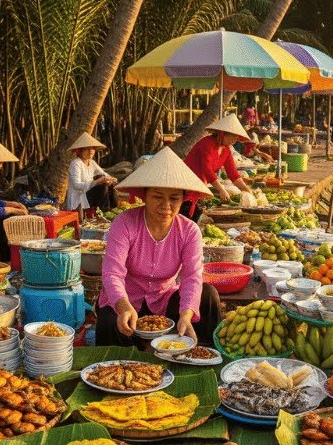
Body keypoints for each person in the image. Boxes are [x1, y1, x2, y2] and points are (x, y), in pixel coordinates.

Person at [96, 148, 222, 347]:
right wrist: (124, 307)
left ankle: (200, 354)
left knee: (208, 295)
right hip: (125, 299)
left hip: (164, 297)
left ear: (183, 199)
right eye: (157, 196)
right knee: (110, 322)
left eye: (174, 198)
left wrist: (186, 315)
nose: (166, 205)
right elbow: (112, 273)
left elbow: (192, 277)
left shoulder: (189, 230)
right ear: (145, 196)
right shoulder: (125, 223)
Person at [181, 114, 253, 217]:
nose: (234, 140)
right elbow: (207, 169)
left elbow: (233, 173)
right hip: (187, 184)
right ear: (222, 134)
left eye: (236, 138)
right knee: (186, 215)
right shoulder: (207, 143)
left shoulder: (226, 150)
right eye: (232, 136)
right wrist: (221, 190)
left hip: (200, 187)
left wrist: (246, 190)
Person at [63, 132, 117, 216]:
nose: (90, 151)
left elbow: (103, 173)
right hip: (79, 196)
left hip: (88, 193)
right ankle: (105, 212)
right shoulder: (76, 164)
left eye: (92, 148)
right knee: (102, 187)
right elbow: (76, 185)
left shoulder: (91, 162)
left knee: (109, 184)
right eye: (86, 149)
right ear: (79, 151)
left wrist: (110, 179)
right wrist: (97, 181)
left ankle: (112, 210)